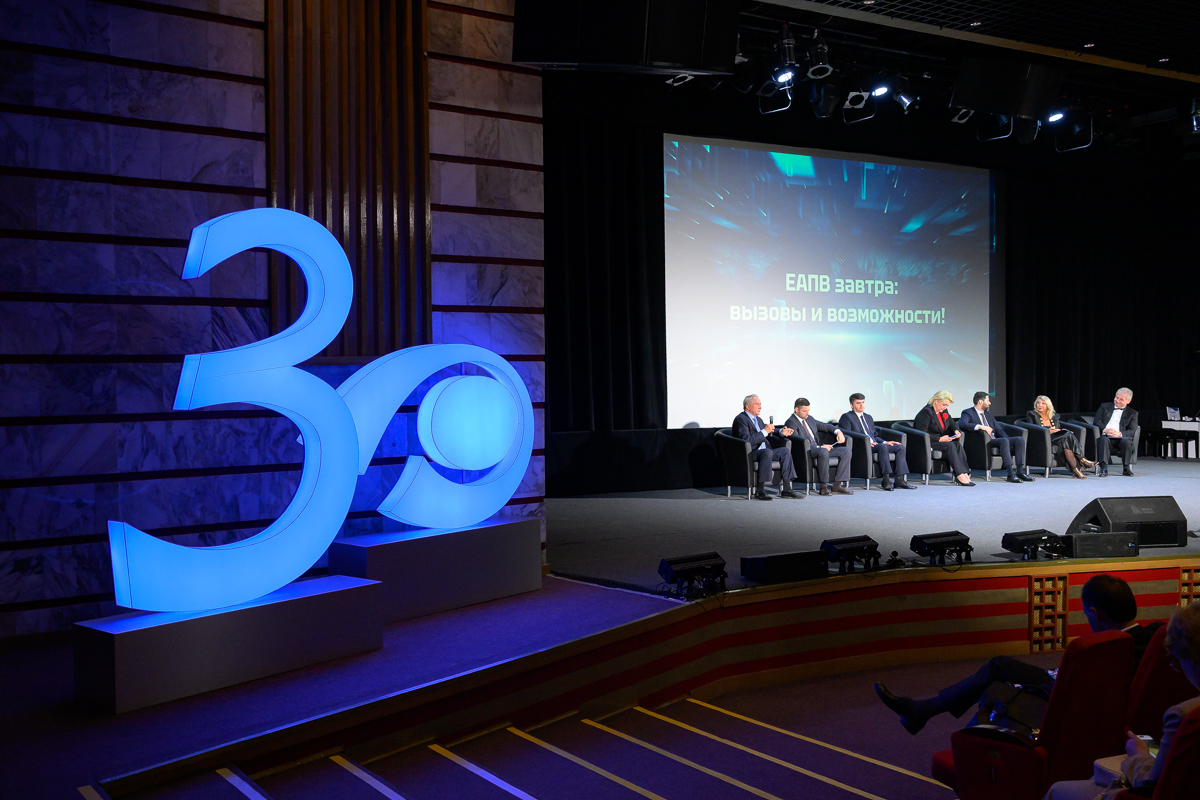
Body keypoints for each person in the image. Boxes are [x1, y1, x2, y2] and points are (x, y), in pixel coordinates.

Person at [874, 575, 1163, 735]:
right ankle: (920, 711)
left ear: (1095, 614)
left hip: (1075, 706)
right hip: (1094, 695)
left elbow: (1077, 692)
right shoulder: (1157, 636)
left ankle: (922, 713)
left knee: (998, 672)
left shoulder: (1095, 650)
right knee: (999, 669)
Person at [1042, 601, 1200, 800]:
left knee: (1059, 789)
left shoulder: (1184, 716)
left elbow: (1151, 786)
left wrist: (1140, 755)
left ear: (1189, 657)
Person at [837, 393, 916, 491]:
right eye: (858, 403)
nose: (861, 405)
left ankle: (899, 480)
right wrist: (866, 443)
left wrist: (885, 442)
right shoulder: (846, 417)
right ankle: (886, 479)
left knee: (900, 447)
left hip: (875, 445)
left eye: (863, 402)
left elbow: (874, 435)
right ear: (851, 405)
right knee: (882, 447)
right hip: (862, 447)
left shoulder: (868, 417)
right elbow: (848, 435)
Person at [732, 394, 799, 501]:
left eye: (760, 404)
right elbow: (746, 439)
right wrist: (764, 431)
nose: (760, 407)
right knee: (767, 452)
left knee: (785, 451)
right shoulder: (741, 419)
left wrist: (781, 431)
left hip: (764, 451)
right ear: (747, 406)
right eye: (757, 404)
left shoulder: (758, 419)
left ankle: (787, 488)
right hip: (750, 453)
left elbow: (769, 429)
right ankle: (760, 490)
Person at [959, 390, 1035, 483]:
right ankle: (1010, 473)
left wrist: (1008, 440)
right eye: (988, 400)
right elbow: (962, 424)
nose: (990, 403)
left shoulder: (988, 414)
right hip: (983, 441)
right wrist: (980, 426)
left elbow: (999, 430)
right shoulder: (968, 412)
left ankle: (1020, 471)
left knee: (1019, 440)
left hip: (995, 439)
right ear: (980, 402)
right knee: (1004, 441)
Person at [785, 398, 853, 496]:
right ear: (796, 409)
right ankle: (823, 487)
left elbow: (826, 426)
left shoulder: (809, 419)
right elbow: (798, 442)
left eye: (808, 410)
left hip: (818, 449)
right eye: (804, 411)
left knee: (846, 451)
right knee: (823, 451)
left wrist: (838, 432)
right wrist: (820, 447)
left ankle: (837, 485)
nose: (807, 413)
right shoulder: (791, 422)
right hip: (806, 451)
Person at [912, 390, 975, 486]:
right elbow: (922, 433)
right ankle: (959, 475)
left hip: (938, 440)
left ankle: (964, 472)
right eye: (944, 405)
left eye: (947, 405)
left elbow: (952, 423)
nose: (945, 407)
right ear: (936, 401)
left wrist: (956, 430)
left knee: (957, 445)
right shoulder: (926, 412)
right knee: (950, 446)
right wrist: (939, 439)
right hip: (927, 442)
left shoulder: (943, 411)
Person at [1028, 395, 1095, 480]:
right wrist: (1048, 430)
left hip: (1057, 437)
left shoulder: (1054, 416)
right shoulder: (1032, 414)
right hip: (1043, 439)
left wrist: (1055, 430)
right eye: (1038, 403)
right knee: (1068, 435)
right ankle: (1083, 460)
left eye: (1043, 403)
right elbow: (1033, 428)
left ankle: (1076, 471)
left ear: (1048, 405)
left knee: (1066, 441)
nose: (1040, 405)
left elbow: (1056, 427)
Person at [1093, 388, 1138, 477]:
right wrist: (1105, 429)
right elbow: (1096, 421)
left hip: (1120, 438)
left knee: (1126, 441)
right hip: (1106, 436)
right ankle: (1103, 469)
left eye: (1121, 399)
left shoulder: (1132, 413)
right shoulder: (1104, 407)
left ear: (1128, 401)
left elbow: (1132, 430)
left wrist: (1119, 434)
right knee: (1103, 440)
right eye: (1117, 398)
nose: (1117, 401)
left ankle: (1126, 468)